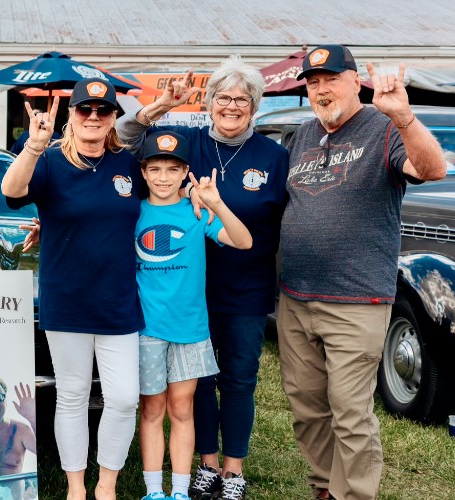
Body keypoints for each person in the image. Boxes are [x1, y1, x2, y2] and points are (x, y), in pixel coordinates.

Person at [276, 44, 445, 500]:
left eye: (330, 78)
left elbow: (432, 169)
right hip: (296, 296)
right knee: (308, 409)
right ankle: (325, 488)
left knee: (350, 411)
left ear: (356, 81)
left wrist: (405, 119)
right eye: (312, 82)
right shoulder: (302, 137)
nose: (321, 89)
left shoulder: (384, 129)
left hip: (356, 300)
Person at [115, 56, 288, 500]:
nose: (232, 106)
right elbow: (124, 140)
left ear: (255, 106)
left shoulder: (273, 155)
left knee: (238, 378)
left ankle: (233, 471)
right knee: (196, 384)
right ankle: (206, 465)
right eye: (223, 98)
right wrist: (160, 106)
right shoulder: (188, 142)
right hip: (183, 291)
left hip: (244, 285)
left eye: (242, 99)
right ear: (209, 103)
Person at [0, 77, 143, 500]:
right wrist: (33, 145)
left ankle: (108, 484)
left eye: (103, 111)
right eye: (85, 110)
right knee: (73, 394)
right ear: (72, 116)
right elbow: (11, 192)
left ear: (114, 117)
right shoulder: (50, 161)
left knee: (122, 398)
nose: (94, 117)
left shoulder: (128, 163)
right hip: (68, 297)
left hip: (119, 299)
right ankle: (77, 487)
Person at [132, 131, 253, 500]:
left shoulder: (197, 211)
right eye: (155, 169)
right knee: (152, 408)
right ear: (143, 172)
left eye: (172, 169)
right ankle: (154, 490)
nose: (163, 178)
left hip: (189, 326)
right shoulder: (133, 212)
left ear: (185, 171)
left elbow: (243, 240)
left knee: (182, 407)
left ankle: (181, 490)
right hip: (145, 328)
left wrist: (217, 204)